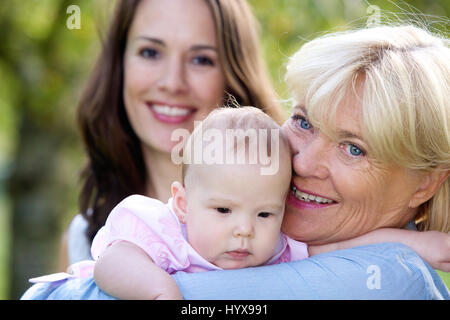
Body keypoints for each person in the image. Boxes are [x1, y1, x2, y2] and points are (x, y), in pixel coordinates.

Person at [23, 24, 450, 299]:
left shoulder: (390, 281)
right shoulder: (271, 235)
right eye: (302, 121)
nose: (302, 164)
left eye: (354, 148)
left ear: (425, 184)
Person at [27, 107, 450, 300]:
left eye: (265, 213)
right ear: (182, 203)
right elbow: (109, 265)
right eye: (224, 211)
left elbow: (343, 249)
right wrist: (158, 291)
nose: (245, 229)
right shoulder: (164, 230)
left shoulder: (279, 243)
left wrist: (421, 245)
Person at [59, 0, 287, 269]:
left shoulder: (293, 233)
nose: (172, 83)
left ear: (233, 74)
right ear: (119, 66)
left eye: (201, 59)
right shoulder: (84, 239)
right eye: (150, 52)